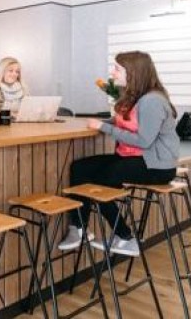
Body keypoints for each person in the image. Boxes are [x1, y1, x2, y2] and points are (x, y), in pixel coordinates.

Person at [58, 51, 180, 257]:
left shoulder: (152, 101)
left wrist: (104, 128)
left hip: (157, 166)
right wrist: (102, 123)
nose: (113, 73)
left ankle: (125, 237)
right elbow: (122, 121)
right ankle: (79, 228)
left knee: (99, 181)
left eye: (117, 68)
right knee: (80, 168)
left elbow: (144, 140)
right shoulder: (135, 97)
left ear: (133, 72)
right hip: (134, 158)